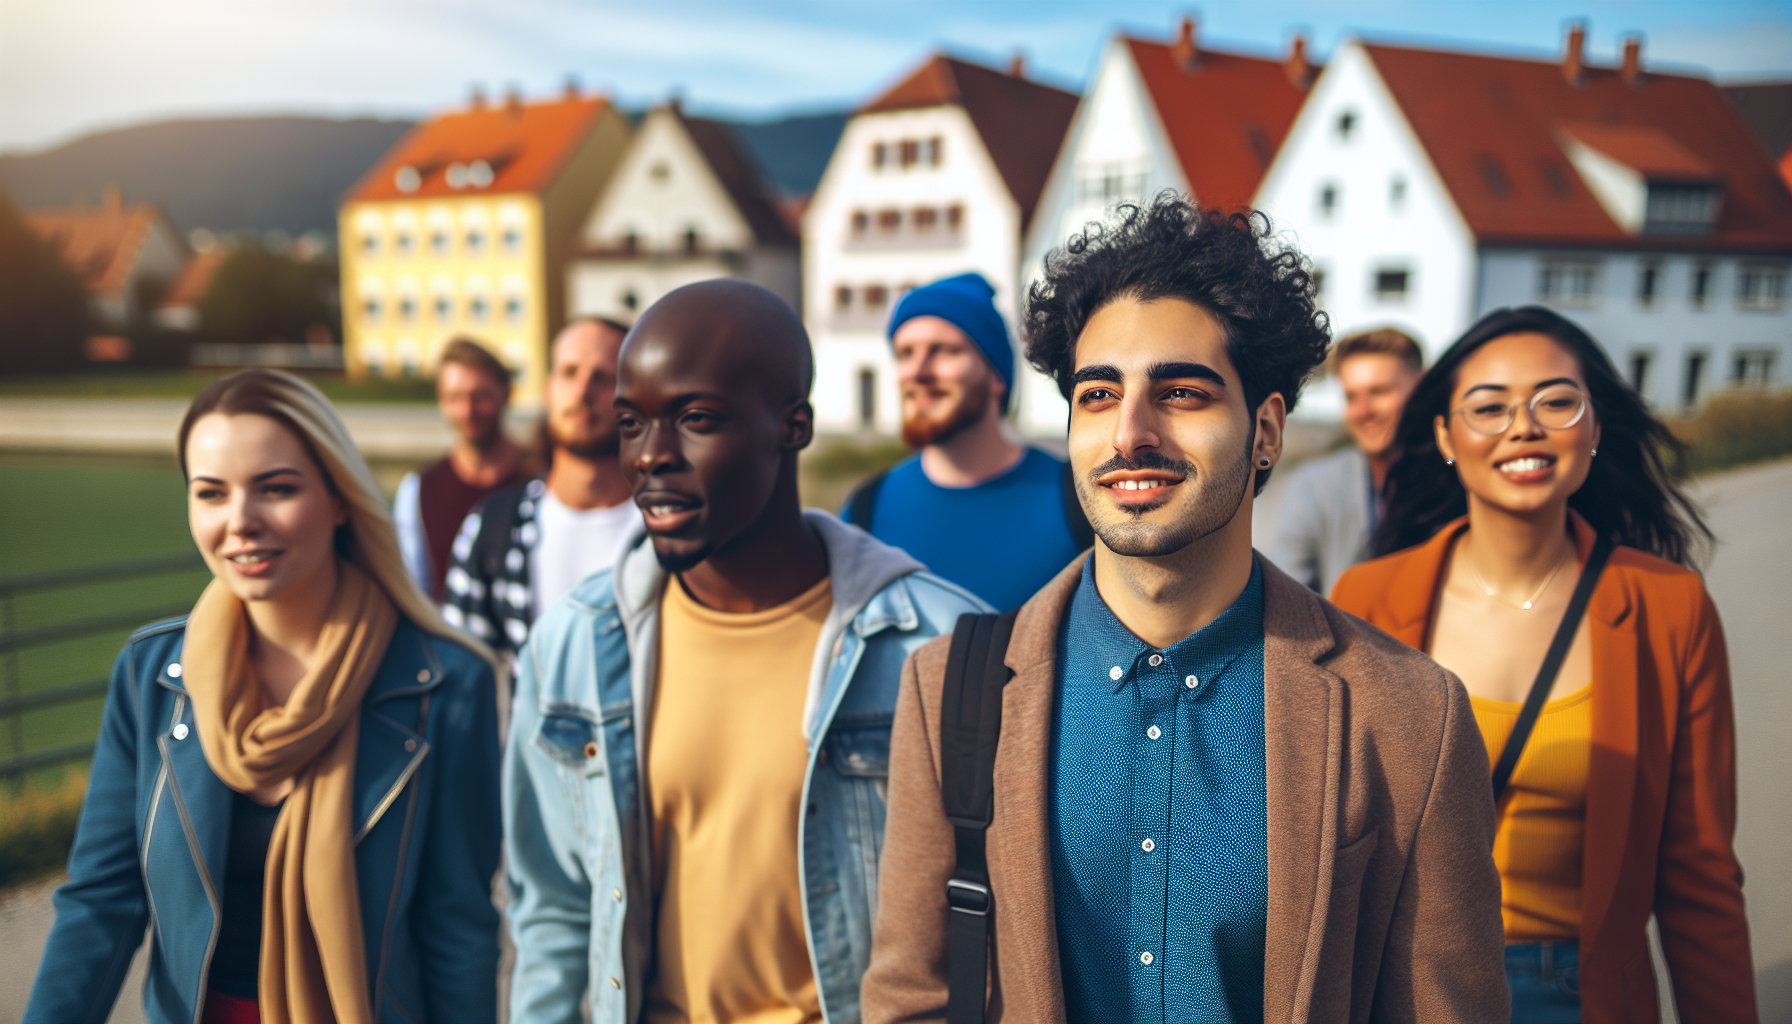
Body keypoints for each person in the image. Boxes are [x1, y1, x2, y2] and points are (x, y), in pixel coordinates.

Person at [862, 196, 1508, 1023]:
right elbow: (911, 998)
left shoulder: (1410, 714)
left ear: (1266, 431)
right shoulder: (951, 690)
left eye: (1181, 393)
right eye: (1099, 395)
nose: (1130, 432)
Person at [503, 280, 987, 1024]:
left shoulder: (941, 645)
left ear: (793, 427)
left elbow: (987, 926)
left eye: (696, 419)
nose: (651, 456)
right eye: (631, 423)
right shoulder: (570, 646)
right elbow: (554, 915)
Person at [26, 369, 501, 1024]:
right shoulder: (150, 675)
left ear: (341, 498)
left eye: (276, 488)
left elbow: (457, 928)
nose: (240, 522)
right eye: (211, 493)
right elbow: (101, 903)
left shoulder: (446, 684)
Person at [1331, 307, 1755, 1024]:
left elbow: (1700, 872)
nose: (1523, 427)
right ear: (1446, 435)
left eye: (1556, 402)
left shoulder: (1670, 608)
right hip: (1407, 987)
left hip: (1578, 995)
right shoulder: (1366, 599)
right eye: (1489, 406)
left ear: (1595, 428)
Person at [841, 273, 1091, 610]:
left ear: (996, 377)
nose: (917, 372)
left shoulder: (1076, 498)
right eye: (905, 353)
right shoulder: (866, 508)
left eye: (943, 351)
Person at [442, 318, 638, 656]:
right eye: (569, 373)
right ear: (548, 390)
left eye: (603, 377)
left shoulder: (669, 529)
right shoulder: (491, 527)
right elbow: (463, 665)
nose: (582, 392)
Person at [1264, 327, 1422, 593]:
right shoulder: (1316, 486)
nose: (1362, 411)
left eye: (1379, 392)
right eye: (1351, 397)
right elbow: (1285, 594)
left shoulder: (1458, 481)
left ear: (1422, 387)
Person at [394, 337, 527, 600]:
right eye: (455, 397)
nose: (468, 410)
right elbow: (414, 589)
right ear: (441, 402)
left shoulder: (544, 478)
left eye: (481, 396)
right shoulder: (419, 489)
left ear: (506, 394)